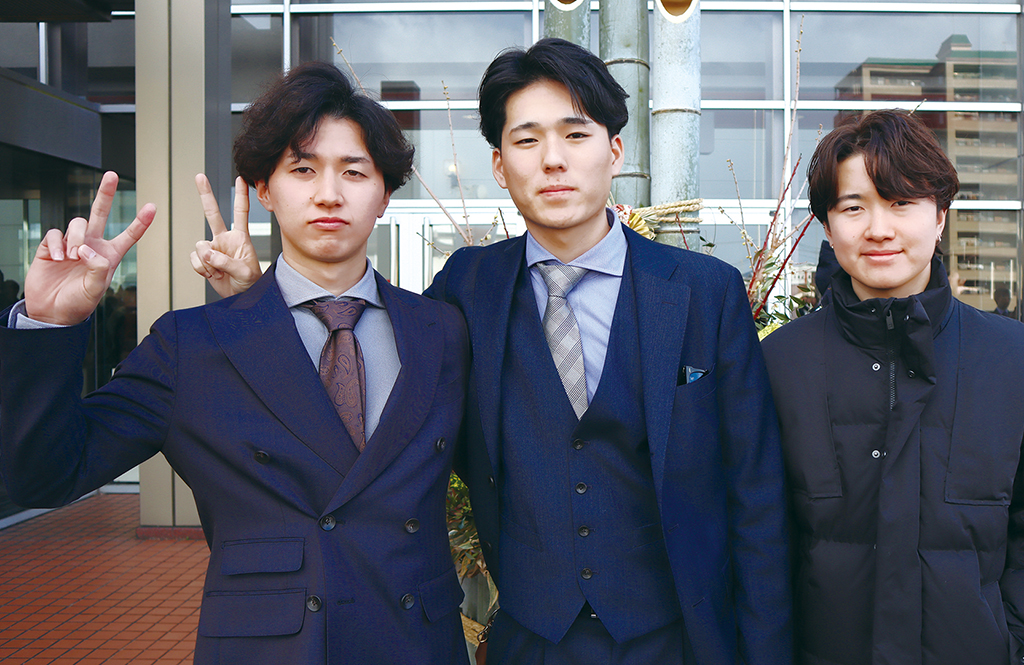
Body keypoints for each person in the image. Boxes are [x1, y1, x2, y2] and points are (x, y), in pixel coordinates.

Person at [194, 39, 791, 665]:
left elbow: (756, 493)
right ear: (501, 167)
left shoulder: (704, 291)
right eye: (527, 140)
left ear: (614, 151)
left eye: (576, 135)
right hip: (530, 640)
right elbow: (359, 381)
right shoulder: (465, 287)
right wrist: (261, 301)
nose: (553, 160)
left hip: (679, 638)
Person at [0, 61, 470, 664]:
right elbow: (45, 478)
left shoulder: (442, 331)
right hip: (269, 649)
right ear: (265, 190)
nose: (329, 193)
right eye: (303, 169)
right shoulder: (193, 345)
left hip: (417, 645)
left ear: (383, 195)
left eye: (354, 171)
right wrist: (50, 324)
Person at [761, 109, 1024, 665]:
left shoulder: (1010, 358)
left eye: (901, 202)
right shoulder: (779, 363)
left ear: (940, 216)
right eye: (853, 207)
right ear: (827, 227)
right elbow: (758, 536)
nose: (878, 229)